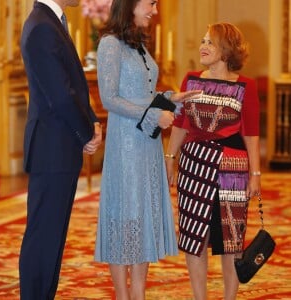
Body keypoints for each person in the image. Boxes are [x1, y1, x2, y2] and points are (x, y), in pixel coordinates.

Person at [94, 0, 200, 299]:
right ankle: (123, 295)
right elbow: (110, 99)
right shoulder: (110, 44)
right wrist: (155, 114)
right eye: (151, 3)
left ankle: (138, 293)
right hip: (125, 147)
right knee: (123, 216)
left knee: (140, 217)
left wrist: (172, 98)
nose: (155, 9)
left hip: (148, 143)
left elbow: (144, 94)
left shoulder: (137, 43)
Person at [165, 22, 261, 300]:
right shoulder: (191, 79)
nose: (203, 46)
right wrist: (170, 158)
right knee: (195, 238)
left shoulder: (245, 85)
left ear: (227, 50)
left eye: (211, 42)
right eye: (203, 40)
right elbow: (181, 123)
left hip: (232, 168)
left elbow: (251, 133)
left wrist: (255, 174)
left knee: (231, 241)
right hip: (194, 165)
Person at [19, 0, 102, 299]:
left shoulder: (53, 22)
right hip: (52, 148)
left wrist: (92, 120)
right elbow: (60, 96)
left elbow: (74, 85)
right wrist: (85, 133)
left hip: (59, 147)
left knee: (52, 237)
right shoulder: (42, 27)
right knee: (43, 237)